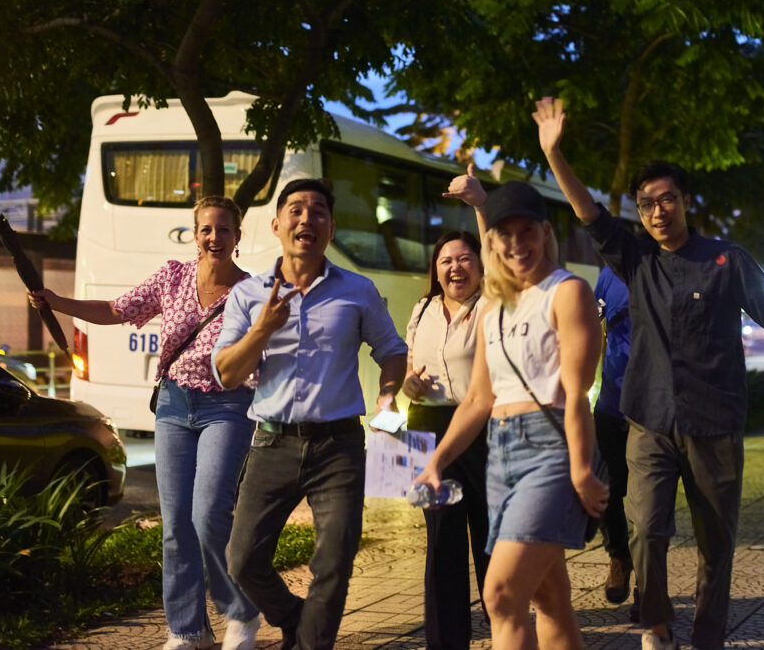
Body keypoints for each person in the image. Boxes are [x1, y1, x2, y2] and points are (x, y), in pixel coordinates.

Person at [533, 96, 764, 650]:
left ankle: (707, 637)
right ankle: (656, 626)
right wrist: (553, 153)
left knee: (716, 542)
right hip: (650, 422)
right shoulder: (636, 261)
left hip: (713, 425)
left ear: (686, 201)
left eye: (667, 200)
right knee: (644, 530)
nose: (658, 211)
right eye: (646, 204)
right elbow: (589, 214)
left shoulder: (726, 260)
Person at [29, 196, 260, 650]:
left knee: (209, 514)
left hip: (228, 406)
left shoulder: (250, 291)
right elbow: (116, 310)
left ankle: (240, 611)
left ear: (238, 236)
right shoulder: (172, 277)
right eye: (206, 229)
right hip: (174, 404)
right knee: (175, 523)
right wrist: (57, 302)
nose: (215, 237)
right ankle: (188, 630)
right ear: (196, 235)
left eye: (224, 230)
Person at [413, 180, 609, 649]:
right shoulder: (492, 309)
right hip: (500, 454)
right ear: (493, 243)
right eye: (505, 235)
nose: (516, 243)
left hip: (551, 451)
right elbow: (479, 399)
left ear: (544, 233)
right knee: (550, 597)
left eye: (527, 232)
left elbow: (577, 393)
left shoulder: (567, 293)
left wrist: (581, 469)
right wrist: (436, 461)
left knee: (500, 594)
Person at [213, 178, 408, 650]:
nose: (307, 219)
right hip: (272, 442)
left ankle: (309, 643)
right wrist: (261, 331)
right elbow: (226, 375)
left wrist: (387, 395)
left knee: (334, 560)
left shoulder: (357, 290)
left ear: (331, 227)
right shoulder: (248, 296)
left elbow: (392, 350)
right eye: (296, 210)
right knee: (242, 560)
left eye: (318, 210)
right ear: (277, 225)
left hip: (338, 446)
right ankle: (295, 617)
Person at [404, 223, 490, 648]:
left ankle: (505, 619)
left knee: (491, 536)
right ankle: (446, 641)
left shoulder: (492, 306)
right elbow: (407, 373)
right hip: (427, 432)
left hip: (484, 429)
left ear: (479, 264)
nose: (456, 268)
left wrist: (479, 206)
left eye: (464, 258)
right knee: (442, 542)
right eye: (446, 261)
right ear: (435, 270)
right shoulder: (421, 310)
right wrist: (409, 385)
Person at [593, 266, 638, 615]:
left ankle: (651, 585)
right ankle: (619, 557)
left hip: (652, 411)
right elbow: (592, 327)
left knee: (649, 502)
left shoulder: (663, 266)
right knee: (607, 490)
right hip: (610, 404)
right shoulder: (608, 274)